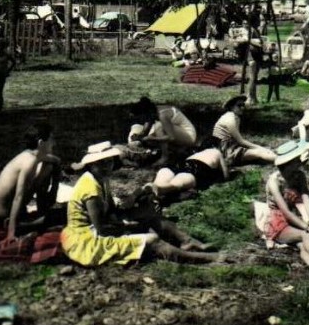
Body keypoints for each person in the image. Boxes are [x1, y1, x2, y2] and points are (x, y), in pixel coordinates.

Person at [60, 143, 221, 266]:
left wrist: (137, 197)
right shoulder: (90, 188)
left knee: (150, 217)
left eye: (108, 161)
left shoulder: (100, 178)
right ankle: (202, 258)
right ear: (90, 165)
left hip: (101, 227)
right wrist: (127, 227)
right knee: (151, 240)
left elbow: (111, 210)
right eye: (100, 163)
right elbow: (102, 229)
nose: (106, 166)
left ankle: (188, 241)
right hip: (88, 240)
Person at [263, 142, 309, 266]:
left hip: (293, 218)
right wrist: (306, 227)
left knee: (303, 244)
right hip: (278, 221)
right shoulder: (274, 181)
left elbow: (306, 198)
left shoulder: (299, 176)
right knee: (305, 235)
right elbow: (285, 211)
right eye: (296, 160)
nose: (300, 162)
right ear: (287, 164)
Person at [0, 121, 62, 242]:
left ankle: (38, 217)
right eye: (51, 140)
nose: (54, 143)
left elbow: (54, 160)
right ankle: (20, 226)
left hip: (17, 212)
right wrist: (11, 232)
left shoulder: (32, 155)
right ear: (41, 143)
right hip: (7, 216)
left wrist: (56, 170)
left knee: (49, 166)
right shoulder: (29, 162)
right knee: (57, 218)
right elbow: (18, 196)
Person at [149, 140, 230, 201]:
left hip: (184, 162)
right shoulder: (217, 152)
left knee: (165, 174)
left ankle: (153, 186)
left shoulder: (197, 153)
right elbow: (225, 174)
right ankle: (161, 189)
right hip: (197, 166)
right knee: (177, 183)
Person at [128, 97, 199, 165]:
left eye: (142, 117)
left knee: (159, 127)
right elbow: (145, 132)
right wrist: (139, 137)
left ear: (146, 113)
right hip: (177, 133)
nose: (143, 120)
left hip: (189, 136)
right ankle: (177, 151)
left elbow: (171, 137)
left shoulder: (162, 115)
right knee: (152, 136)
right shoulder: (152, 111)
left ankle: (164, 157)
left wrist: (152, 138)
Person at [213, 95, 277, 166]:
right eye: (239, 105)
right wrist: (261, 148)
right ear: (231, 107)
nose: (242, 108)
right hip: (225, 152)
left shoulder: (234, 117)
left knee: (262, 150)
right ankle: (283, 161)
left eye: (243, 105)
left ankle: (276, 156)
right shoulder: (230, 119)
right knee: (259, 152)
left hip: (229, 147)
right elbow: (241, 141)